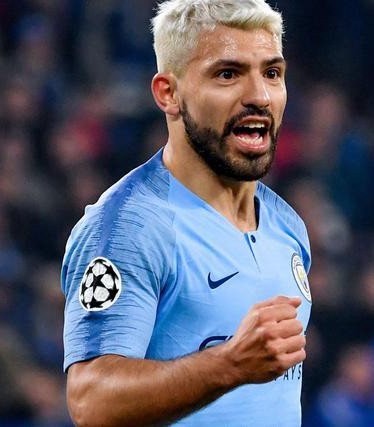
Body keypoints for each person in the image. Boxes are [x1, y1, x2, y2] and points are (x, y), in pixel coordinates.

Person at [61, 1, 312, 425]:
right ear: (169, 94)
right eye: (228, 74)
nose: (259, 96)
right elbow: (90, 401)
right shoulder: (130, 226)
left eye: (272, 73)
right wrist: (230, 363)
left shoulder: (288, 227)